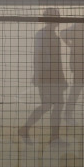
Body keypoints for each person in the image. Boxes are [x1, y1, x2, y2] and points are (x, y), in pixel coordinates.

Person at [20, 8, 67, 144]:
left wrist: (62, 78)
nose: (58, 21)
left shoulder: (54, 36)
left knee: (57, 105)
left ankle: (54, 137)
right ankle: (26, 129)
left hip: (56, 77)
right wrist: (38, 76)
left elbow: (58, 60)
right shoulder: (42, 35)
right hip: (46, 76)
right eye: (56, 17)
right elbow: (39, 56)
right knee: (48, 105)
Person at [60, 22, 84, 125]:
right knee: (76, 90)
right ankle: (68, 115)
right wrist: (70, 44)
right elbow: (62, 33)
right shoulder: (77, 26)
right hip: (79, 65)